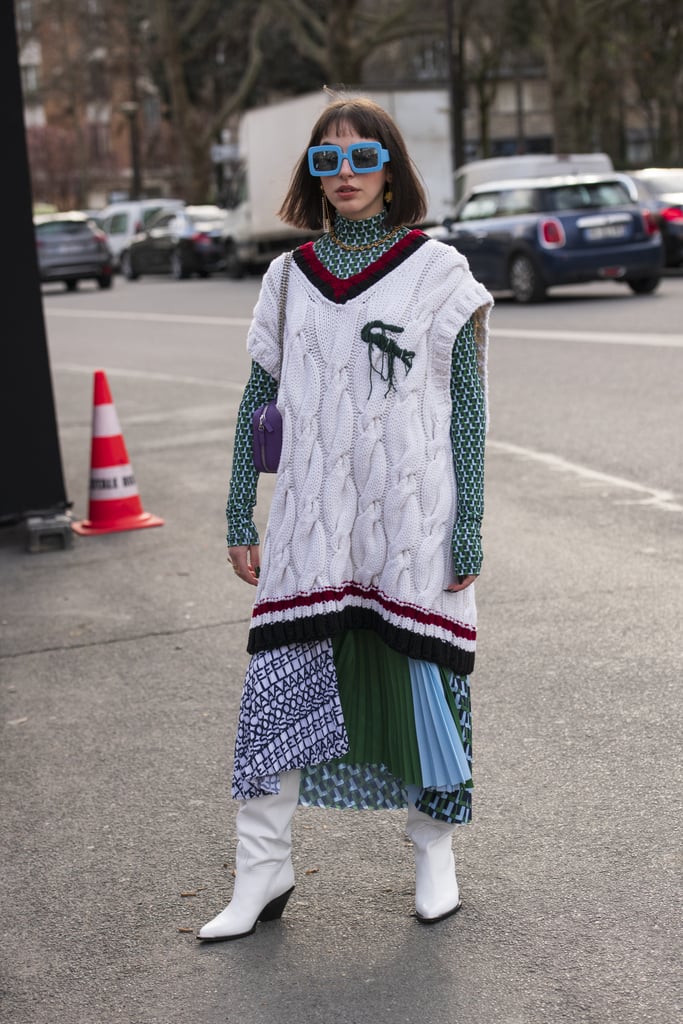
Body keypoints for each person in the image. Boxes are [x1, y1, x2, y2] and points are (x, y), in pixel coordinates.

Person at [197, 96, 493, 942]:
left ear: (392, 170)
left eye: (362, 159)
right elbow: (260, 400)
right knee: (277, 685)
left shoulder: (438, 270)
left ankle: (433, 852)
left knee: (422, 679)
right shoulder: (288, 278)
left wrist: (467, 521)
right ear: (311, 179)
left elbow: (466, 408)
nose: (346, 176)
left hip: (409, 521)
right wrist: (237, 513)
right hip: (309, 521)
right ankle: (263, 871)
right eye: (326, 163)